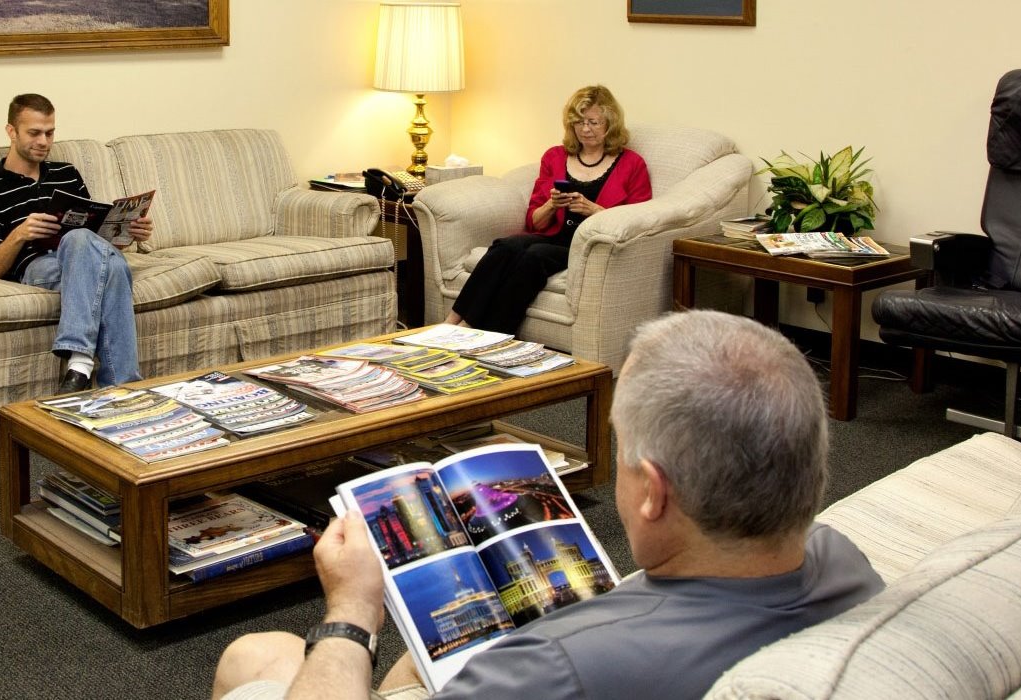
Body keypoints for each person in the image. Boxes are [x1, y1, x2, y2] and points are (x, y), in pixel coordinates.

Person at [210, 310, 886, 700]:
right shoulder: (842, 561)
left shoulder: (552, 669)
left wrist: (353, 610)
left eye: (622, 455)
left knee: (256, 658)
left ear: (654, 493)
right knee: (382, 658)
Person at [0, 93, 154, 394]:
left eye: (50, 133)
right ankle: (120, 383)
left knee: (97, 253)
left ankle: (83, 370)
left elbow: (96, 241)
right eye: (34, 133)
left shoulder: (67, 174)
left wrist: (128, 232)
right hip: (38, 267)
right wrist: (19, 234)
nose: (43, 141)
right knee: (107, 264)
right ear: (11, 131)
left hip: (83, 259)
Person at [444, 85, 652, 334]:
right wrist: (552, 205)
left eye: (593, 122)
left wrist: (594, 210)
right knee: (505, 247)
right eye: (579, 122)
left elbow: (637, 222)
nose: (585, 129)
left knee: (534, 257)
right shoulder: (555, 157)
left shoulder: (632, 164)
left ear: (610, 123)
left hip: (585, 245)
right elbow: (534, 223)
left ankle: (480, 331)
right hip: (552, 235)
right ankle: (450, 323)